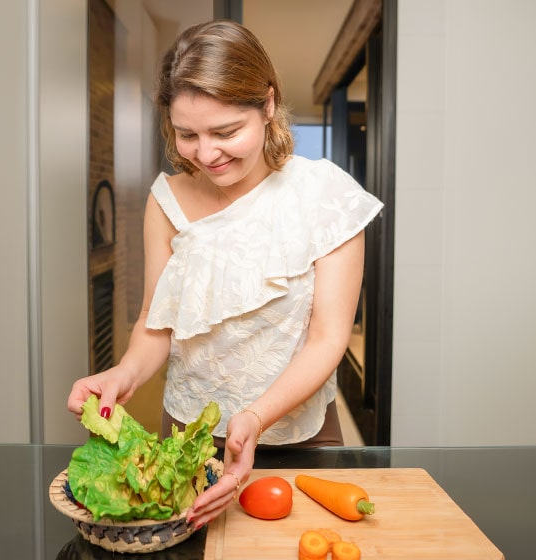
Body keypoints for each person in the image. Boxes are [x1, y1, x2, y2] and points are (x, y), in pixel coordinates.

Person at [68, 19, 383, 529]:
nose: (206, 153)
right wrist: (123, 373)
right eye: (187, 134)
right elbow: (156, 320)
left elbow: (328, 340)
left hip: (295, 436)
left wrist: (255, 416)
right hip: (185, 440)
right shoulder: (165, 200)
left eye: (225, 132)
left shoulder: (326, 196)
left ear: (268, 105)